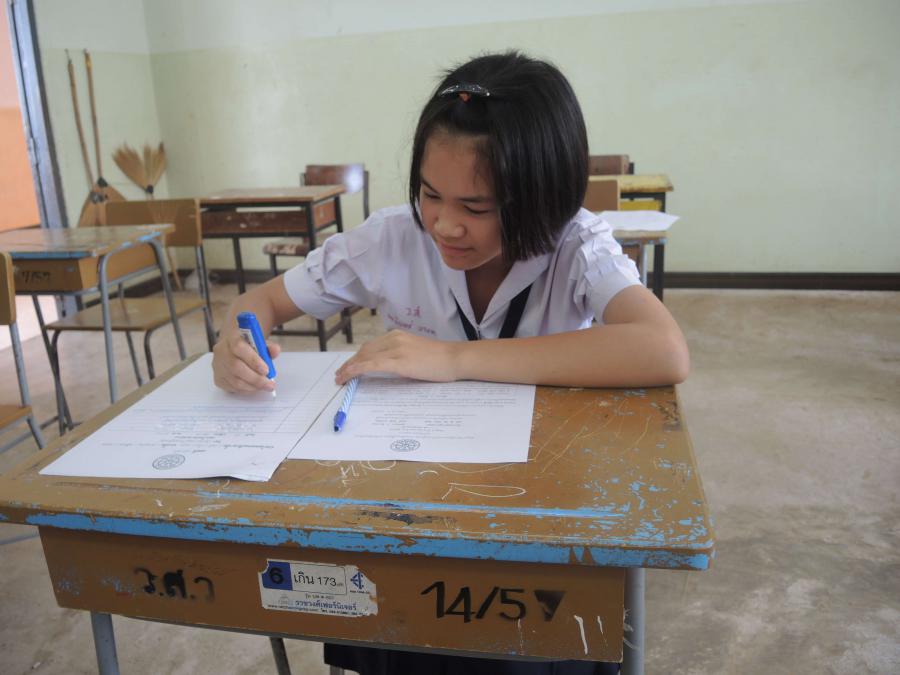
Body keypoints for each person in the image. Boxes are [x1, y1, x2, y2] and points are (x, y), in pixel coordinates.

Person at [213, 51, 688, 675]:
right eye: (430, 194)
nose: (445, 225)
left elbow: (662, 348)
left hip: (537, 508)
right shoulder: (391, 238)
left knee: (532, 637)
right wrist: (235, 340)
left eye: (477, 207)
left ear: (542, 198)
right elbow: (261, 302)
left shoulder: (576, 245)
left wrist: (456, 358)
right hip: (412, 504)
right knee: (391, 614)